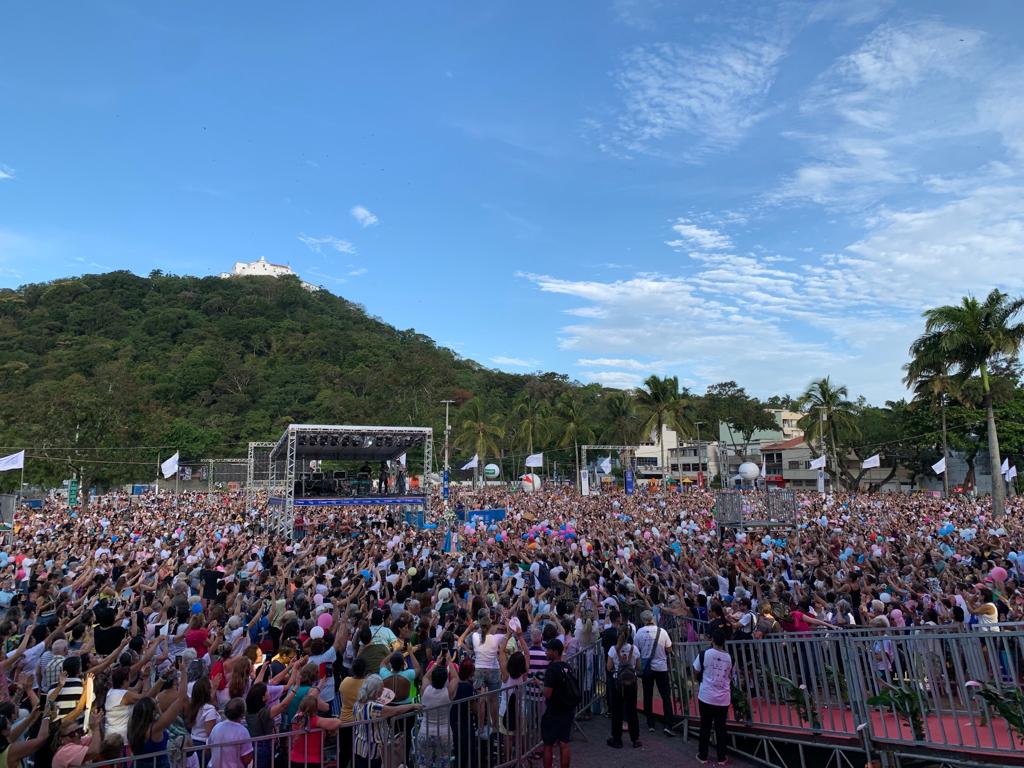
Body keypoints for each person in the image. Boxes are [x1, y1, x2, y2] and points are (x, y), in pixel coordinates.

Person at [693, 629, 732, 767]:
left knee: (705, 726)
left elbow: (696, 670)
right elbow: (730, 675)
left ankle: (703, 755)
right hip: (723, 696)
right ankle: (721, 757)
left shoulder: (704, 654)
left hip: (707, 695)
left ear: (712, 640)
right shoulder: (728, 657)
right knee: (721, 727)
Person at [634, 610, 674, 736]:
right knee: (665, 695)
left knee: (647, 694)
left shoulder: (639, 633)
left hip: (647, 668)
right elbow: (669, 648)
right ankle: (668, 723)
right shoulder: (662, 632)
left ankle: (650, 722)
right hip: (661, 667)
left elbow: (637, 650)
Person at [540, 639, 575, 768]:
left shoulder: (552, 670)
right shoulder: (568, 667)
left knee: (548, 745)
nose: (546, 653)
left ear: (555, 652)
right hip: (567, 710)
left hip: (554, 712)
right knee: (564, 743)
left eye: (548, 650)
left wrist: (540, 685)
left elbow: (548, 693)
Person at [418, 657, 458, 768]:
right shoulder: (448, 692)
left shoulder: (425, 689)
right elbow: (455, 678)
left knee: (424, 765)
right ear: (445, 679)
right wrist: (449, 661)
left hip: (425, 733)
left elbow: (426, 676)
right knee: (444, 764)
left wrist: (436, 662)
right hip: (443, 734)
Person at [606, 625, 640, 749]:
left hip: (617, 683)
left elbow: (609, 667)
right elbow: (638, 666)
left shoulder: (612, 650)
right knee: (632, 711)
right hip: (631, 683)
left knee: (617, 712)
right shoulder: (634, 649)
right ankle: (635, 739)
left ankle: (617, 739)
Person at [206, 698, 253, 768]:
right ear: (242, 713)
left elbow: (208, 749)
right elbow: (247, 759)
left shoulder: (216, 727)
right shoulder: (243, 731)